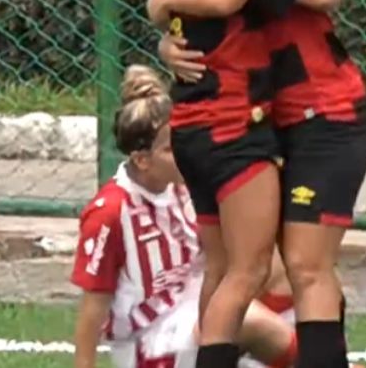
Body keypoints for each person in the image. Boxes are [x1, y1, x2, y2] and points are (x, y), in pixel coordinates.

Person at [148, 0, 366, 368]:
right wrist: (164, 35)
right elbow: (220, 12)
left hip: (326, 115)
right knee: (259, 268)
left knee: (302, 265)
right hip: (267, 120)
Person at [70, 65, 300, 368]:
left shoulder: (187, 185)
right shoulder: (112, 211)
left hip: (192, 308)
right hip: (151, 341)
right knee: (247, 319)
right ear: (143, 160)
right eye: (171, 148)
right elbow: (92, 310)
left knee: (282, 269)